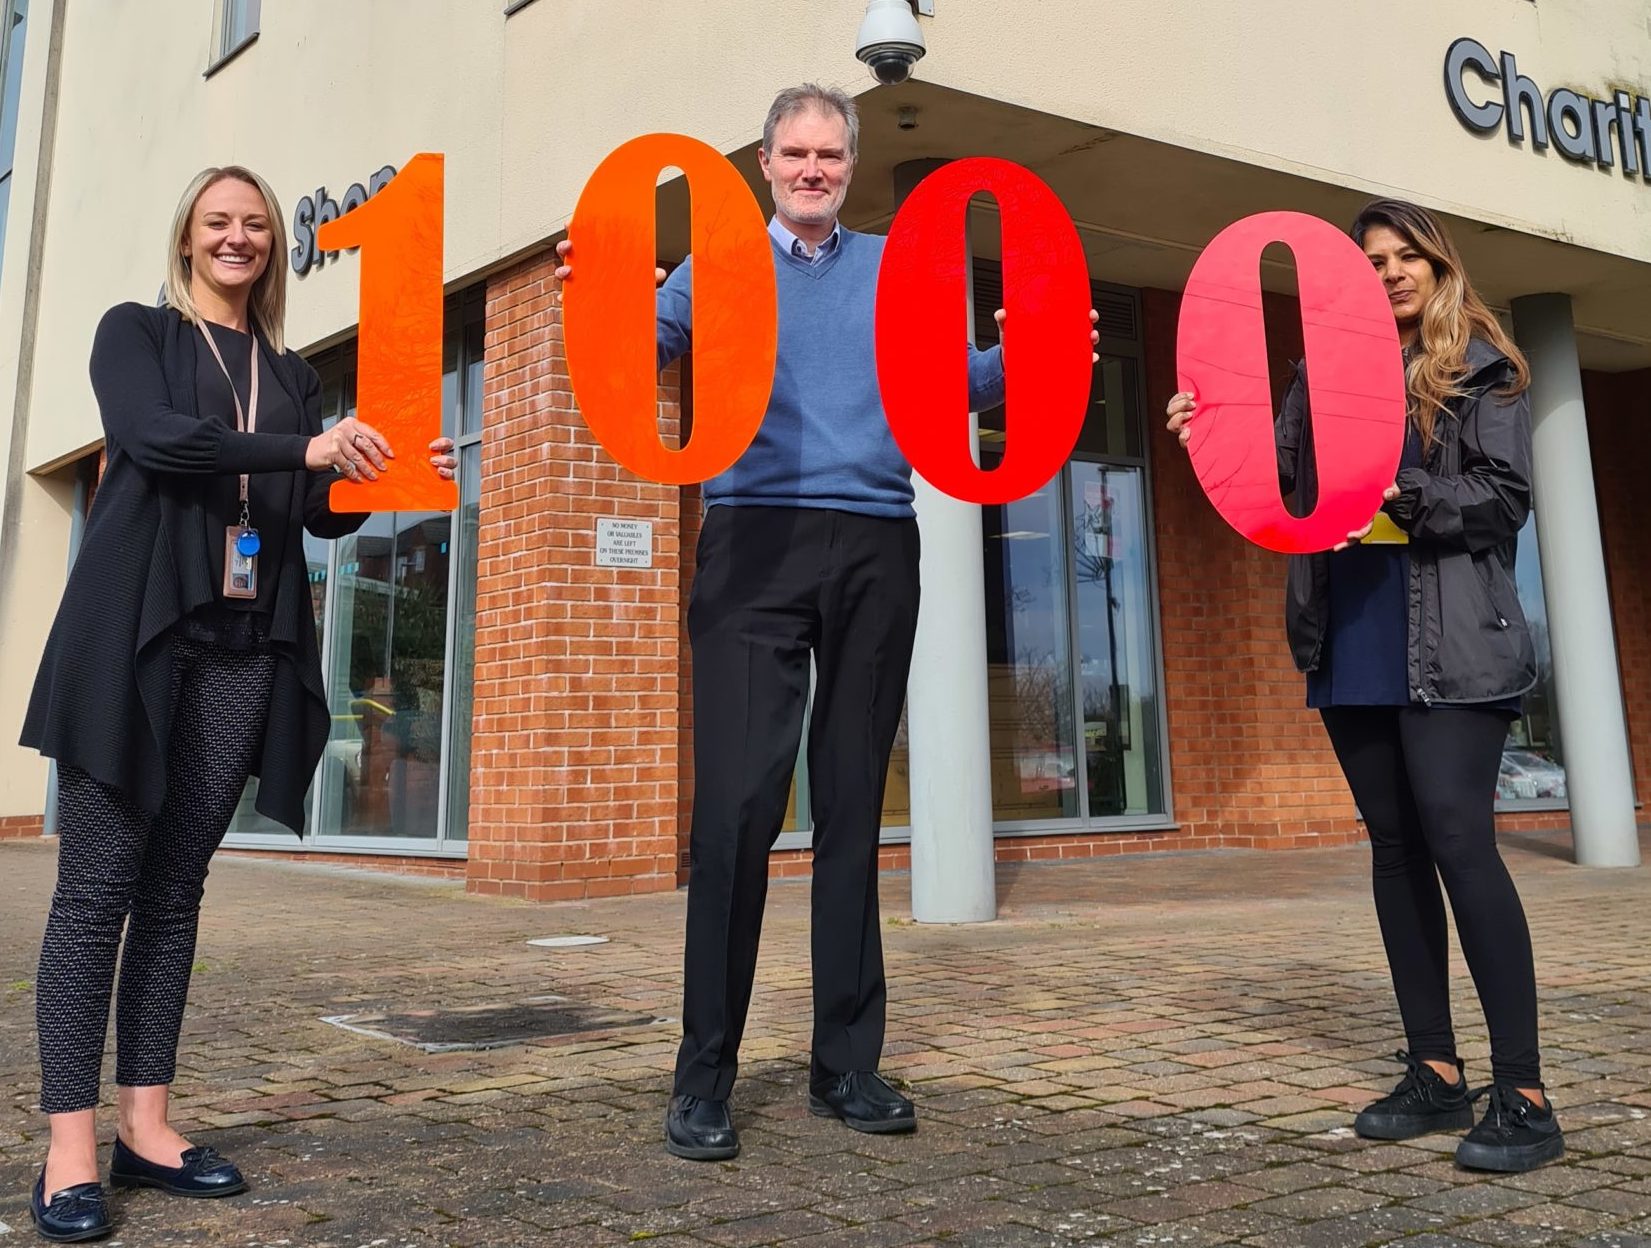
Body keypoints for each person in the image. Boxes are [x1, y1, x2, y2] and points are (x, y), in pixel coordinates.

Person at [557, 84, 1098, 1161]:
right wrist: (602, 305)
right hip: (752, 546)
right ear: (763, 163)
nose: (813, 169)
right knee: (739, 815)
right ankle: (703, 1076)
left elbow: (952, 386)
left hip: (873, 546)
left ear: (848, 165)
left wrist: (1033, 351)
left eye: (829, 155)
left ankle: (844, 1067)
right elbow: (638, 357)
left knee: (852, 809)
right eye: (795, 153)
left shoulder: (899, 267)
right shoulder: (714, 268)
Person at [19, 165, 458, 1241]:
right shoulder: (139, 335)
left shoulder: (291, 374)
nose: (239, 238)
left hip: (240, 647)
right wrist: (303, 447)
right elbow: (159, 441)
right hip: (136, 641)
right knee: (95, 895)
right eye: (219, 222)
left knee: (174, 894)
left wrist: (377, 478)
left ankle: (148, 1126)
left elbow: (312, 514)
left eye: (255, 225)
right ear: (187, 239)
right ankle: (67, 1146)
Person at [1166, 198, 1562, 1173]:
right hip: (1354, 633)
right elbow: (1285, 479)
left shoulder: (1483, 367)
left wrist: (1412, 496)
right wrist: (1207, 431)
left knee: (1460, 841)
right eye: (1371, 260)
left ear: (1436, 265)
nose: (1388, 273)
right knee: (1394, 850)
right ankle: (1434, 1069)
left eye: (1404, 258)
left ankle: (1525, 1096)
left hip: (1453, 639)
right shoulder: (1322, 371)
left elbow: (1505, 498)